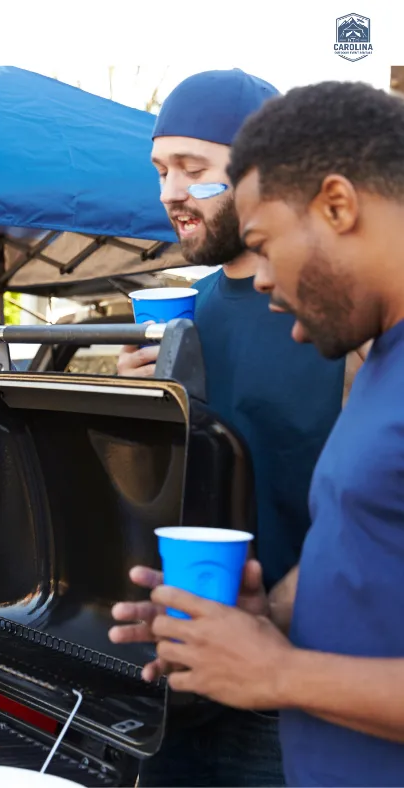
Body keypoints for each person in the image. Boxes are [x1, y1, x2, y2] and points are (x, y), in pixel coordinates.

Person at [124, 79, 404, 788]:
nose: (267, 286)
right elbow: (359, 537)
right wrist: (266, 618)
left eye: (266, 248)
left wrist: (282, 671)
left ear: (336, 205)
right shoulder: (377, 351)